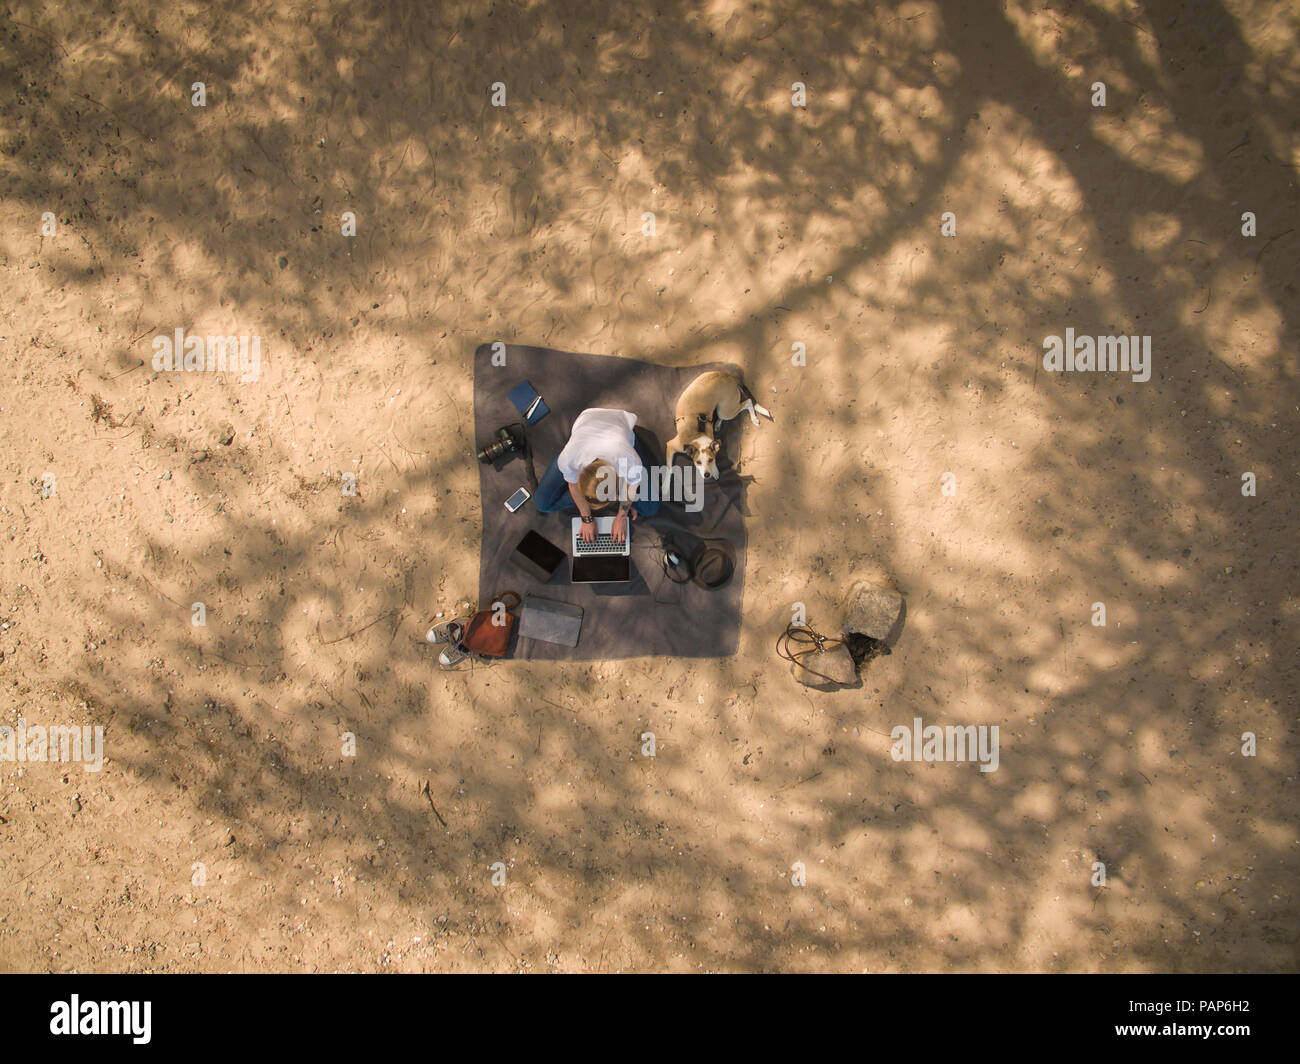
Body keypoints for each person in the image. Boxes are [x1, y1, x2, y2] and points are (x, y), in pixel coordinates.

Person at [533, 408, 660, 541]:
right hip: (583, 434)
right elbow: (573, 485)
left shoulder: (629, 460)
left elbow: (631, 487)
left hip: (620, 430)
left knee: (651, 508)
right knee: (541, 504)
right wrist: (586, 518)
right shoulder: (569, 458)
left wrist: (621, 516)